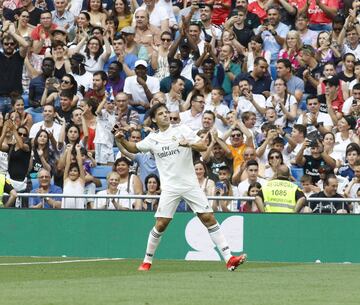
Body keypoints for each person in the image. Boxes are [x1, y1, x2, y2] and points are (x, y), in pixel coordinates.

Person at [115, 103, 247, 271]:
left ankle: (229, 259)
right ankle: (147, 261)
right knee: (161, 223)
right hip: (169, 187)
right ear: (154, 119)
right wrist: (121, 140)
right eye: (161, 114)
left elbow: (203, 146)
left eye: (166, 112)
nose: (165, 115)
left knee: (208, 218)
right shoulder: (152, 138)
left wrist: (188, 144)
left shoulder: (182, 130)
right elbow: (134, 147)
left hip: (190, 184)